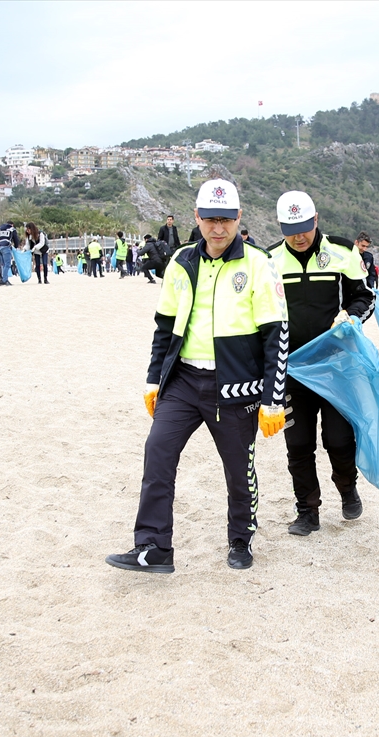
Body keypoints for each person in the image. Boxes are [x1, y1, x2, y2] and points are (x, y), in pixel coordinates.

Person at [105, 179, 289, 574]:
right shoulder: (181, 261)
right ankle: (153, 547)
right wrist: (155, 379)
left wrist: (274, 399)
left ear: (239, 218)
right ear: (197, 218)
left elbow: (277, 335)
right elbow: (164, 325)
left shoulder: (258, 263)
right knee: (158, 451)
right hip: (184, 382)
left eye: (225, 220)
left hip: (236, 387)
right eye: (210, 219)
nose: (218, 228)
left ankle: (241, 538)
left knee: (239, 469)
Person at [268, 190, 374, 535]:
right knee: (297, 444)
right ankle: (307, 511)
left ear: (316, 220)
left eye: (304, 227)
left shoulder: (342, 251)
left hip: (335, 365)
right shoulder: (269, 260)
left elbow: (365, 296)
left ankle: (347, 487)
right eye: (289, 229)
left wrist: (352, 315)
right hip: (291, 369)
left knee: (339, 439)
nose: (298, 236)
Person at [0, 220, 18, 285]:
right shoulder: (11, 229)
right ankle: (4, 280)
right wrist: (16, 246)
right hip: (6, 247)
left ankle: (2, 279)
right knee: (7, 264)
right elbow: (15, 239)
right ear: (12, 224)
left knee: (2, 264)